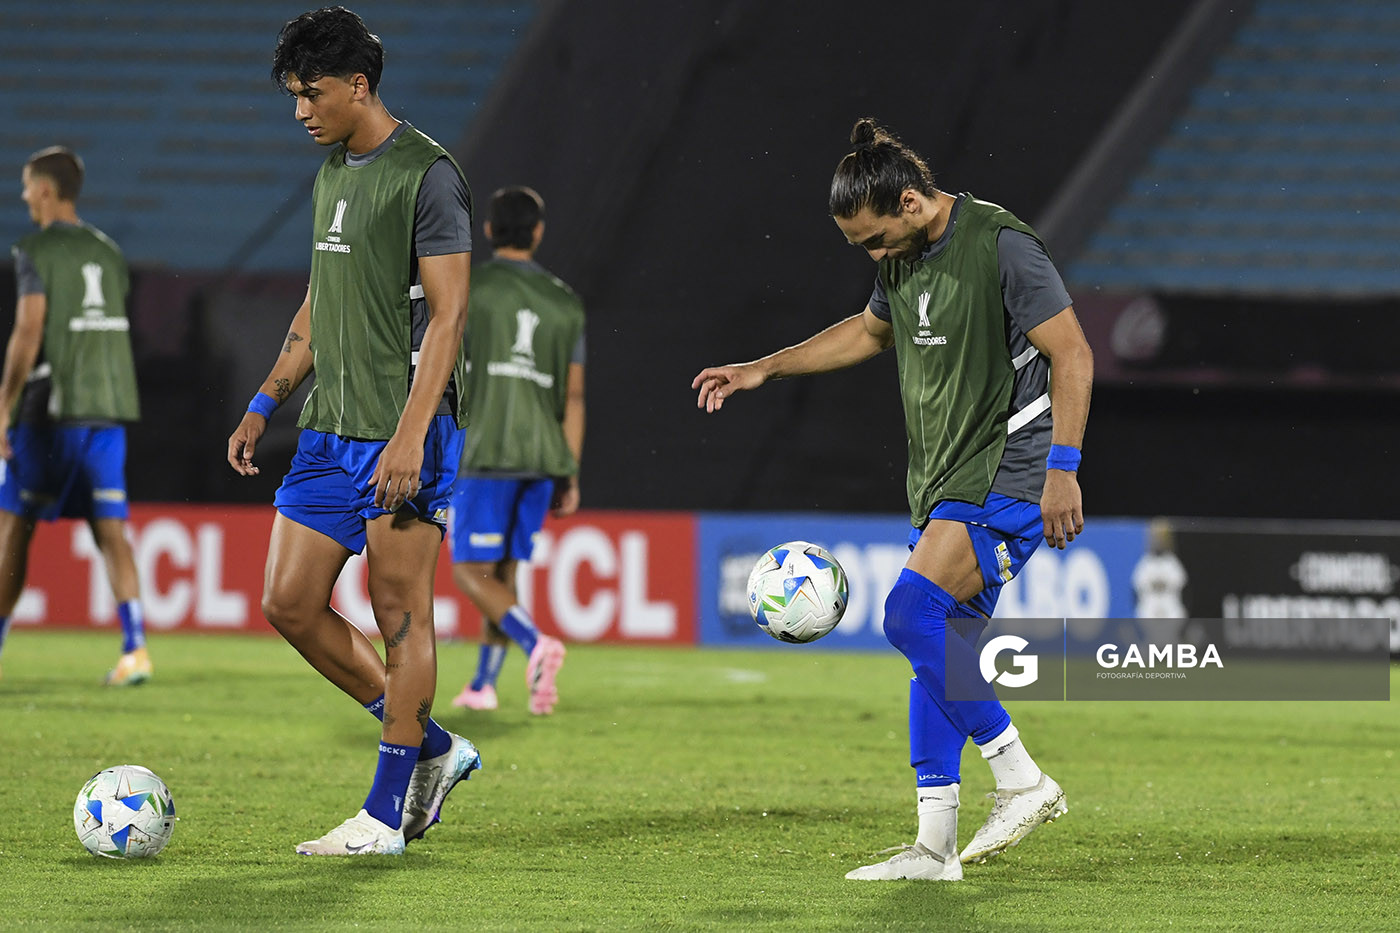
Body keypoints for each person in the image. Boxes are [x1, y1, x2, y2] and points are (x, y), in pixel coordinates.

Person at [693, 119, 1093, 881]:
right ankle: (934, 846)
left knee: (909, 615)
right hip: (947, 475)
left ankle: (1022, 778)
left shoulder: (1001, 244)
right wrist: (765, 368)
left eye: (876, 240)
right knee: (941, 652)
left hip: (1010, 467)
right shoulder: (903, 259)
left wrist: (1064, 469)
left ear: (911, 202)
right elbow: (868, 334)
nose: (873, 258)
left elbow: (1072, 350)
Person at [225, 7, 480, 856]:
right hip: (329, 425)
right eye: (295, 95)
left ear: (359, 86)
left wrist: (411, 436)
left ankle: (384, 813)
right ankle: (434, 749)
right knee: (289, 603)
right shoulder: (333, 173)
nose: (301, 110)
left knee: (401, 614)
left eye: (313, 93)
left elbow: (447, 319)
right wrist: (267, 399)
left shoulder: (427, 174)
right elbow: (319, 299)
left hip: (401, 428)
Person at [0, 146, 150, 686]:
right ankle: (135, 649)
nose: (23, 197)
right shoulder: (108, 251)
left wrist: (2, 405)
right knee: (111, 530)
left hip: (52, 409)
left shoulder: (35, 249)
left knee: (14, 523)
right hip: (108, 408)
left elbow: (29, 330)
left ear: (44, 190)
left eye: (25, 186)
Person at [447, 186, 583, 716]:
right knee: (502, 574)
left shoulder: (470, 289)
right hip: (544, 455)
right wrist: (569, 468)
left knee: (468, 572)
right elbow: (573, 395)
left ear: (487, 232)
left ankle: (536, 645)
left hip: (487, 450)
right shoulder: (565, 301)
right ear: (539, 232)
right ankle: (484, 684)